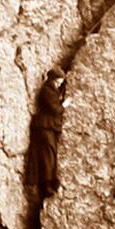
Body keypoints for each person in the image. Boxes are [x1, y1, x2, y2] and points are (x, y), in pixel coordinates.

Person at [26, 67, 67, 199]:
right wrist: (64, 105)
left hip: (48, 127)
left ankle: (50, 183)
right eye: (58, 81)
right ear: (53, 79)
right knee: (47, 156)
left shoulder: (51, 90)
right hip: (44, 127)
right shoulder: (47, 90)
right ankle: (47, 186)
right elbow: (54, 108)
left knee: (50, 155)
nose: (59, 84)